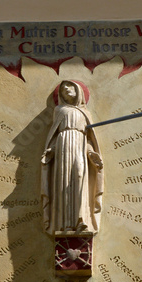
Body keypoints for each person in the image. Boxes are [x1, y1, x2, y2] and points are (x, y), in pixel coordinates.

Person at [41, 80, 103, 235]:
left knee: (80, 175)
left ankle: (81, 220)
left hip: (80, 145)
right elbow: (55, 135)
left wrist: (91, 153)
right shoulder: (59, 110)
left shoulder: (85, 113)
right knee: (64, 181)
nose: (66, 90)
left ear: (78, 91)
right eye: (63, 89)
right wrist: (52, 150)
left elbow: (89, 138)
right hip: (63, 146)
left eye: (69, 87)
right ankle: (65, 224)